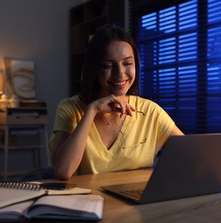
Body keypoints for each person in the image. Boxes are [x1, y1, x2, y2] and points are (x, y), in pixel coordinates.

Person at [49, 24, 184, 180]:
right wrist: (92, 110)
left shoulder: (150, 111)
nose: (120, 74)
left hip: (137, 201)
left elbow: (192, 155)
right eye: (107, 66)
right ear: (94, 69)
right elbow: (62, 170)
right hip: (87, 201)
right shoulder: (70, 108)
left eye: (127, 63)